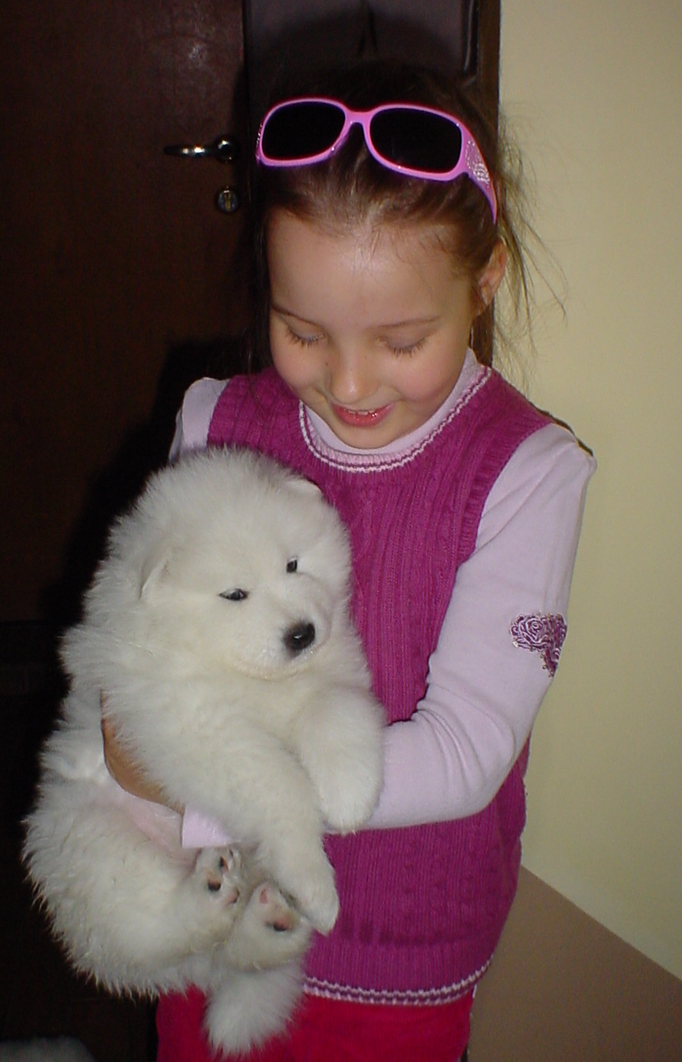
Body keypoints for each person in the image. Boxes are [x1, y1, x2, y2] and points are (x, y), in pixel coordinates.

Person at [103, 60, 595, 1062]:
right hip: (217, 921)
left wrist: (207, 788)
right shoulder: (215, 420)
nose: (351, 381)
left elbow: (462, 752)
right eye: (302, 331)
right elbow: (142, 639)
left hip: (397, 955)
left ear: (484, 281)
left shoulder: (526, 472)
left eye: (401, 340)